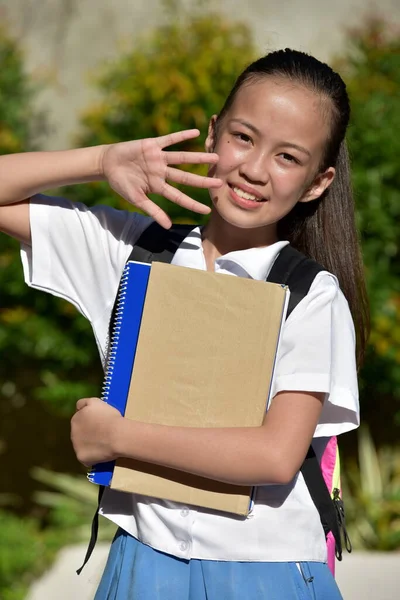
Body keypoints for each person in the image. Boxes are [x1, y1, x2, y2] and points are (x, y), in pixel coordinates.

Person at [0, 48, 369, 599]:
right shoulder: (128, 250)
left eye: (288, 157)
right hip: (142, 564)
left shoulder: (311, 294)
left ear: (318, 182)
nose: (255, 168)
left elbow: (274, 455)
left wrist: (117, 437)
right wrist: (101, 161)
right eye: (243, 137)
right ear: (213, 134)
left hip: (263, 574)